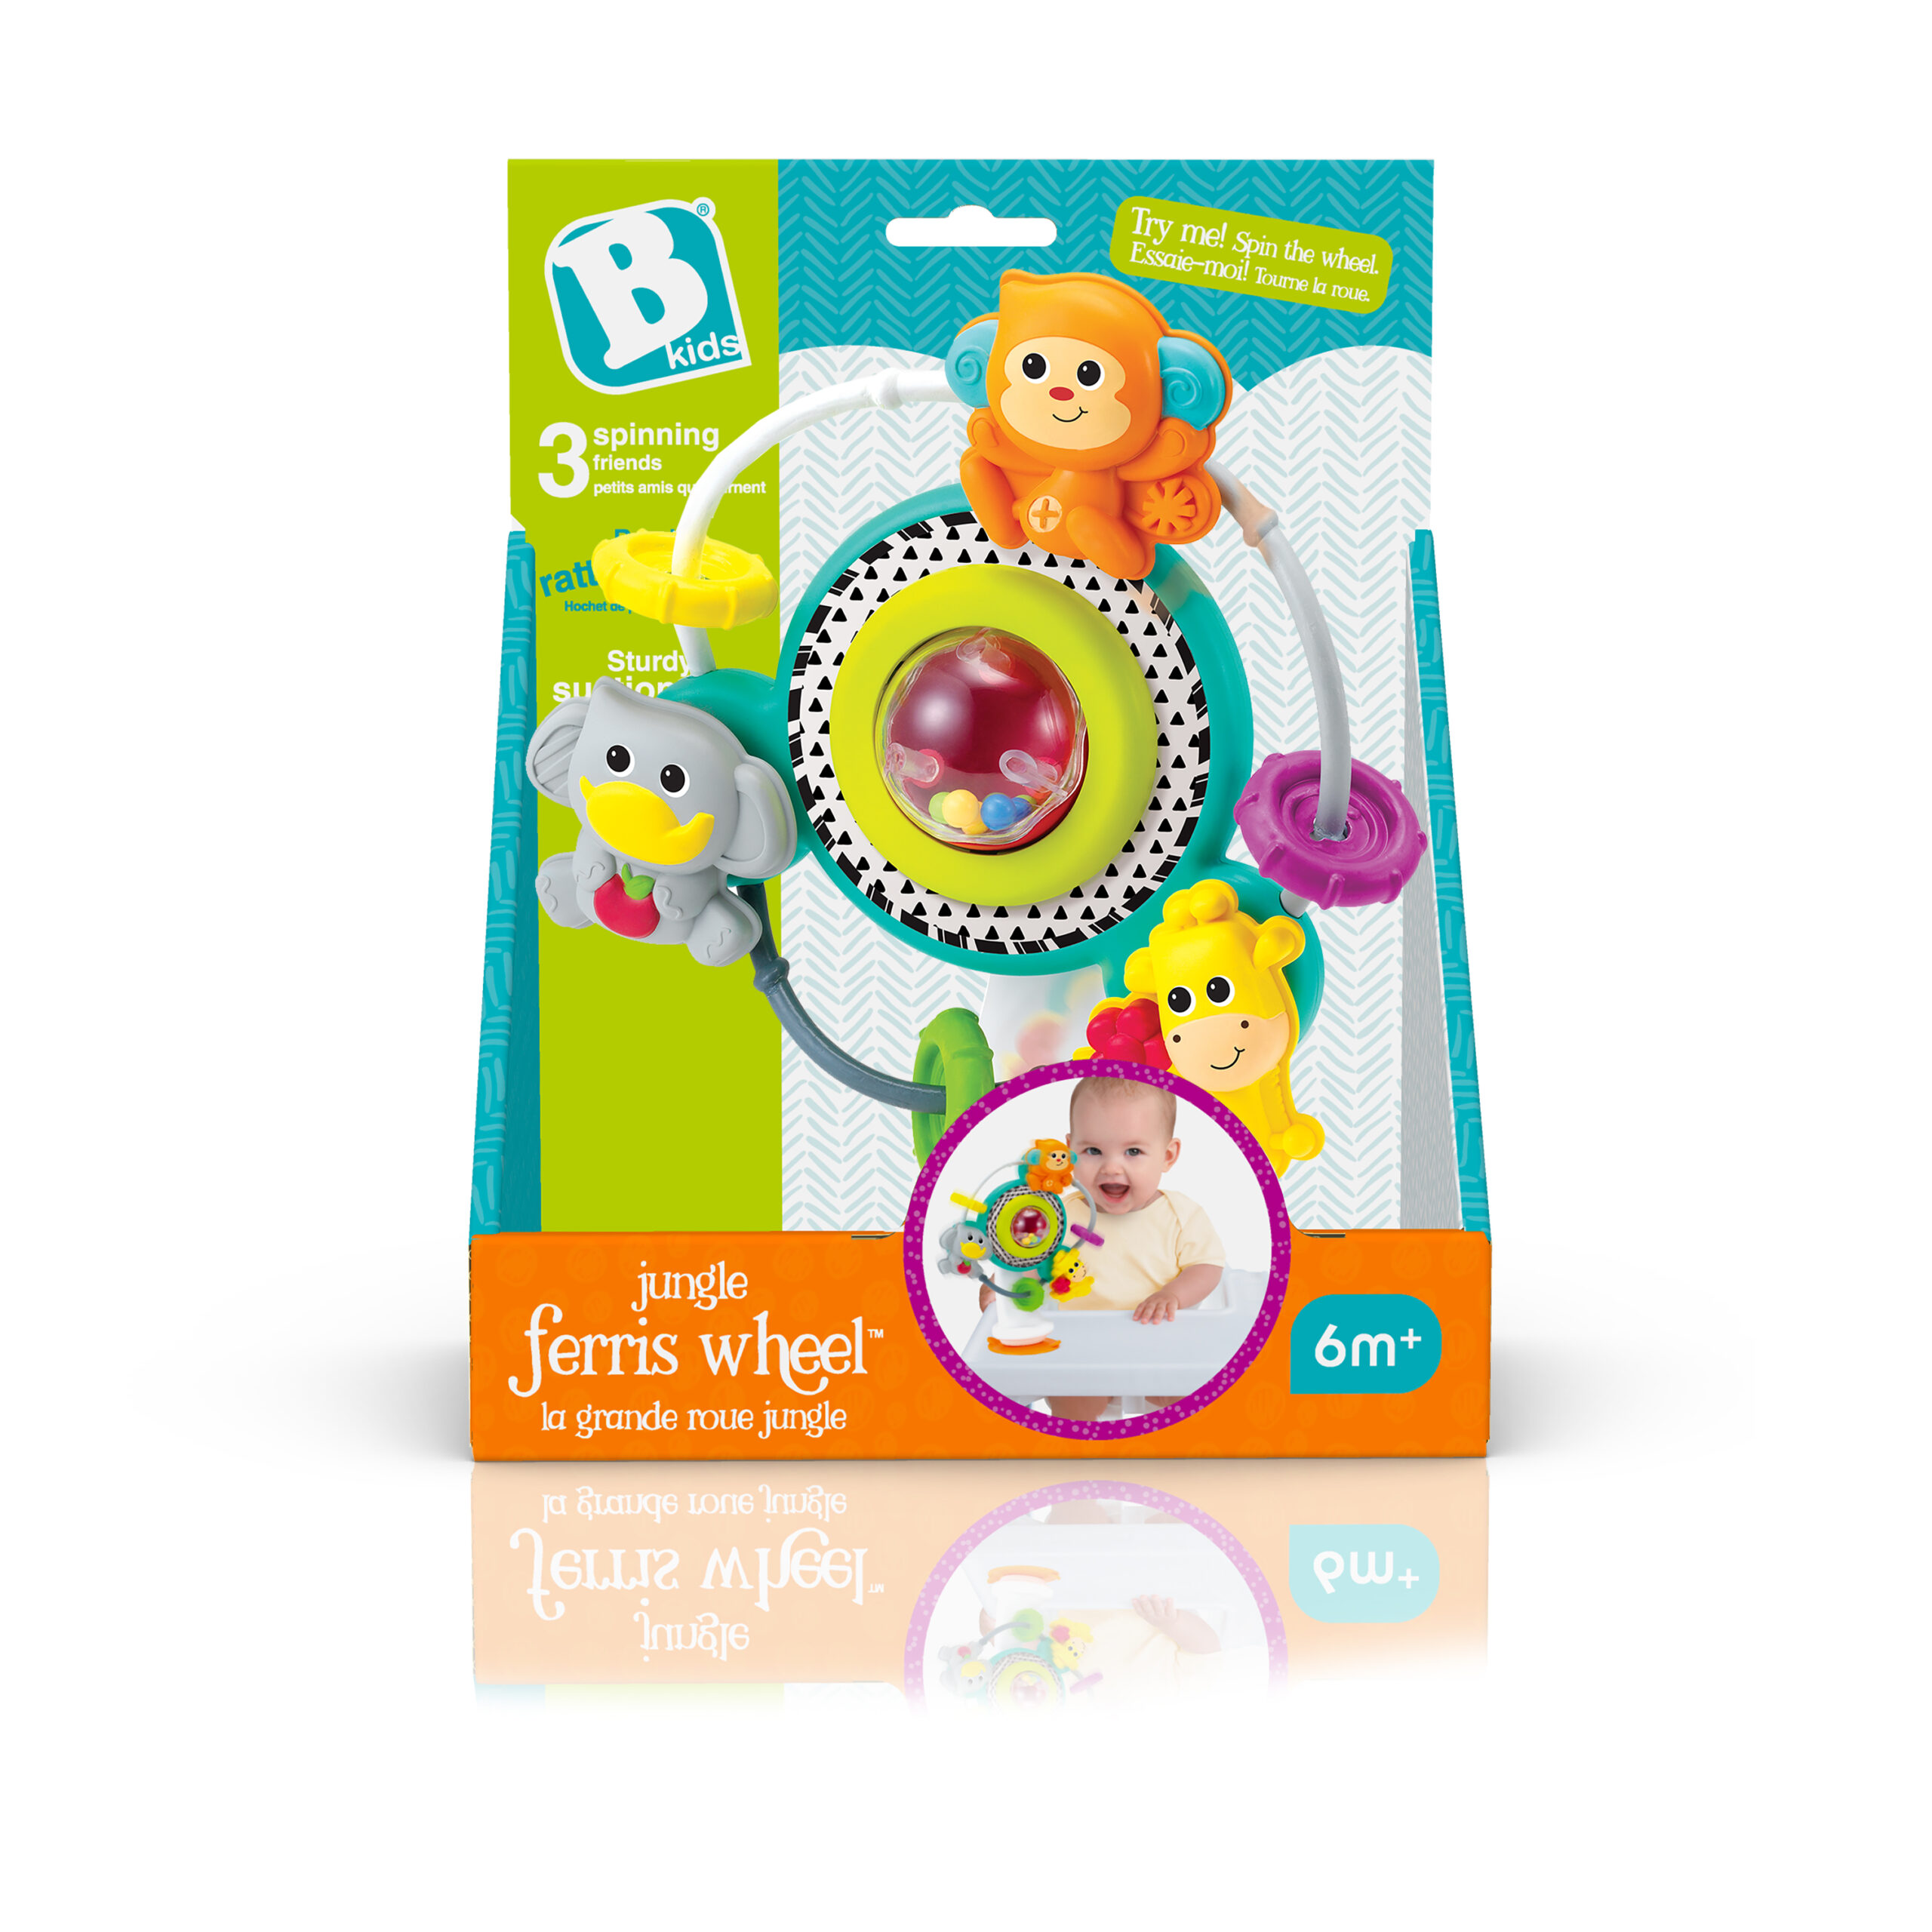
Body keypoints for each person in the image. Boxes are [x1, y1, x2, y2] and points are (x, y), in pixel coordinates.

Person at [980, 1075, 1224, 1422]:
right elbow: (1031, 1262)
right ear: (1069, 1151)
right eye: (1093, 1151)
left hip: (1158, 1339)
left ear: (1167, 1156)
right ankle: (1075, 1443)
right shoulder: (1059, 1216)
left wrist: (1172, 1295)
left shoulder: (1181, 1214)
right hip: (1081, 1347)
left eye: (1133, 1152)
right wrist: (1004, 1288)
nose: (1111, 1167)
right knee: (1071, 1400)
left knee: (1185, 1387)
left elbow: (1207, 1267)